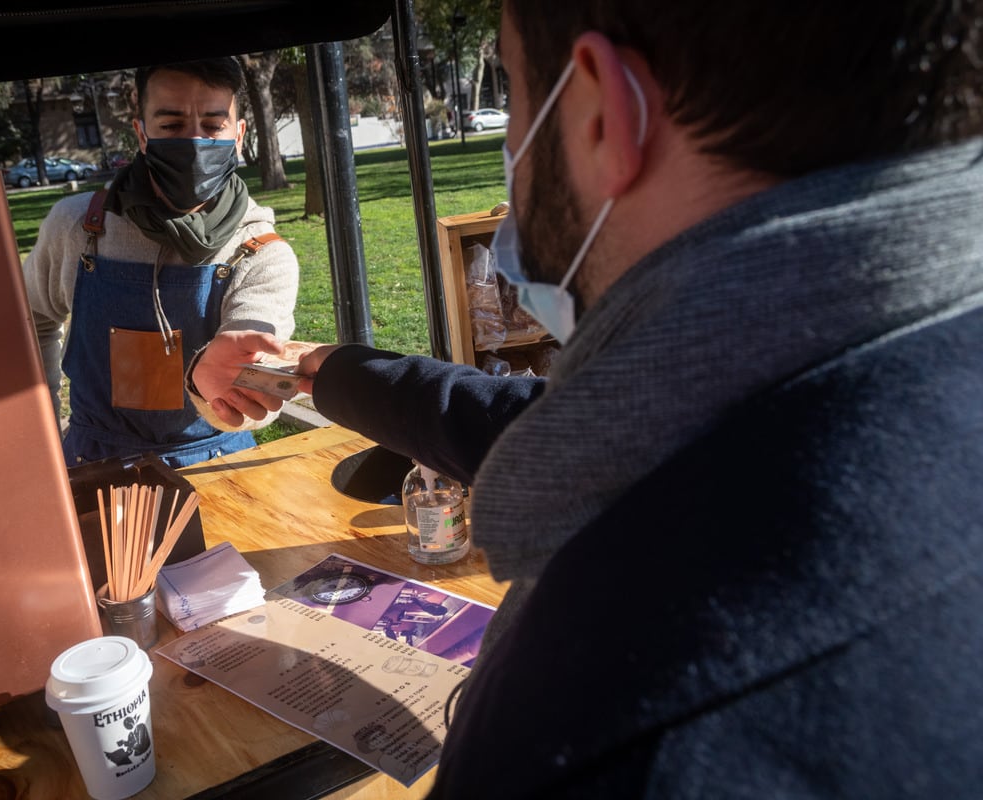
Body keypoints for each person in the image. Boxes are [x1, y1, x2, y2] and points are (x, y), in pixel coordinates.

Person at [233, 1, 983, 796]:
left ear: (599, 115)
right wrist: (328, 368)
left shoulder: (606, 732)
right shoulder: (863, 385)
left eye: (518, 97)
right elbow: (574, 433)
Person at [22, 57, 299, 468]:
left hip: (216, 469)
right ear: (141, 133)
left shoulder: (262, 250)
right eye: (171, 126)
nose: (194, 142)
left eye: (212, 126)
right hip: (89, 462)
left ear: (238, 135)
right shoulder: (76, 227)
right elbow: (29, 321)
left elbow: (256, 350)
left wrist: (235, 382)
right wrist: (40, 421)